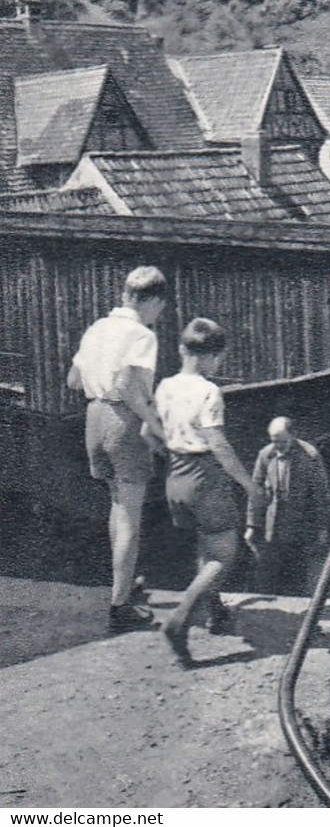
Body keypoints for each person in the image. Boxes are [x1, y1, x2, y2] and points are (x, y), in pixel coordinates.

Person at [67, 266, 167, 633]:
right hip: (123, 423)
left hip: (94, 418)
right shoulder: (142, 335)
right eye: (159, 308)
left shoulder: (98, 328)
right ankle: (120, 605)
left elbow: (73, 380)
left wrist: (101, 380)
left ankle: (123, 585)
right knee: (130, 517)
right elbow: (127, 386)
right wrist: (155, 424)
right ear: (153, 301)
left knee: (117, 505)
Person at [155, 318, 257, 665]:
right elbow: (219, 444)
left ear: (182, 349)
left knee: (206, 541)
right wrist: (249, 484)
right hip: (204, 476)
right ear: (215, 357)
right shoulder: (209, 392)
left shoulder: (165, 386)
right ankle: (180, 618)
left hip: (175, 475)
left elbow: (148, 432)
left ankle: (215, 612)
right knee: (224, 555)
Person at [244, 417, 330, 596]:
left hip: (299, 528)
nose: (278, 447)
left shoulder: (310, 456)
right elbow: (256, 491)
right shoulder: (265, 455)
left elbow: (321, 496)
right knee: (267, 578)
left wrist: (322, 528)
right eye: (274, 441)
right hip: (272, 528)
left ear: (293, 436)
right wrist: (252, 525)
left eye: (282, 441)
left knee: (296, 578)